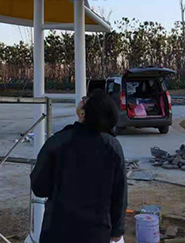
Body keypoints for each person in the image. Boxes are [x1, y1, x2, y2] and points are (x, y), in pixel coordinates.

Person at [30, 89, 127, 243]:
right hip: (96, 233)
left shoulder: (58, 142)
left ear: (83, 114)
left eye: (85, 100)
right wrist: (118, 228)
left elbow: (39, 187)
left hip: (57, 231)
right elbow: (119, 193)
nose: (82, 99)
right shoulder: (113, 147)